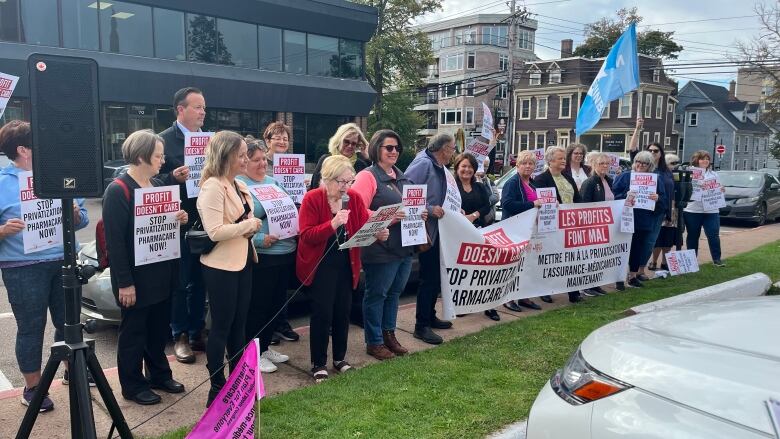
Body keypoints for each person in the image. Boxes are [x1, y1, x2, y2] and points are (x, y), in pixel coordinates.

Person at [0, 120, 89, 412]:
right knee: (31, 327)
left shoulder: (58, 173)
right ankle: (34, 388)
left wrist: (75, 213)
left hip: (62, 259)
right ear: (23, 149)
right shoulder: (2, 182)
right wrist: (2, 231)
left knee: (70, 320)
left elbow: (83, 218)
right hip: (22, 267)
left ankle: (70, 370)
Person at [103, 130, 187, 405]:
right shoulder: (118, 190)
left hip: (161, 273)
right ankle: (133, 384)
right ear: (141, 157)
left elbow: (162, 227)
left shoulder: (158, 185)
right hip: (136, 279)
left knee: (157, 330)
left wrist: (179, 218)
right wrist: (125, 283)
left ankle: (159, 374)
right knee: (134, 333)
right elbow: (115, 243)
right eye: (158, 156)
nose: (163, 161)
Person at [297, 155, 388, 382]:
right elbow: (306, 236)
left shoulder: (354, 198)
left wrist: (377, 233)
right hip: (320, 266)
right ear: (327, 179)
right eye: (341, 182)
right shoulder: (313, 199)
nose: (346, 187)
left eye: (350, 181)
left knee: (342, 311)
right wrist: (333, 223)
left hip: (346, 264)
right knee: (322, 314)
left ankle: (339, 358)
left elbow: (360, 228)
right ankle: (318, 363)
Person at [197, 131, 262, 407]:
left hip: (243, 260)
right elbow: (214, 231)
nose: (245, 159)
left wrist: (248, 227)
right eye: (242, 155)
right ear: (226, 156)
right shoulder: (213, 186)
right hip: (221, 266)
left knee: (239, 324)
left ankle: (238, 380)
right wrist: (249, 226)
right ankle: (217, 385)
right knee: (221, 327)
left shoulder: (238, 185)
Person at [352, 130, 415, 360]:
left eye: (397, 148)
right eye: (389, 147)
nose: (394, 151)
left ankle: (390, 335)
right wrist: (393, 216)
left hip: (404, 246)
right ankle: (375, 341)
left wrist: (419, 214)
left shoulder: (402, 177)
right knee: (377, 294)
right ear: (376, 148)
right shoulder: (368, 176)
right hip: (380, 247)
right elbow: (357, 211)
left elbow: (411, 207)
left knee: (395, 293)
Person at [158, 87, 209, 364]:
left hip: (206, 218)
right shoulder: (164, 141)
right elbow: (151, 181)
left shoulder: (210, 141)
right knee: (181, 281)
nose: (203, 112)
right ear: (181, 109)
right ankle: (179, 335)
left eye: (203, 107)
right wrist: (171, 178)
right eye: (197, 107)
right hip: (178, 222)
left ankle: (197, 331)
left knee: (202, 279)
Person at [236, 137, 295, 374]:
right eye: (256, 160)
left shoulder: (272, 182)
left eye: (264, 159)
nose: (263, 164)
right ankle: (253, 352)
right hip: (262, 254)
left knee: (276, 303)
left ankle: (266, 345)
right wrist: (260, 239)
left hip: (284, 250)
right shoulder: (239, 184)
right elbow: (238, 222)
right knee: (258, 306)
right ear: (244, 162)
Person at [405, 134, 457, 345]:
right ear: (443, 148)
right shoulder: (423, 164)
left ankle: (430, 314)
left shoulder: (437, 165)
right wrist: (428, 209)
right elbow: (406, 193)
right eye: (452, 148)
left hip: (437, 230)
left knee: (435, 276)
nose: (453, 152)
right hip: (426, 231)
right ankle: (421, 325)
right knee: (428, 278)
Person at [260, 121, 300, 344]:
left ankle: (281, 323)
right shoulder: (262, 164)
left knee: (281, 287)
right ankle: (269, 330)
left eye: (285, 138)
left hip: (287, 226)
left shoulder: (292, 164)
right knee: (269, 289)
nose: (282, 141)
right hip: (267, 230)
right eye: (277, 137)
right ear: (268, 140)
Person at [452, 152, 502, 320]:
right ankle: (462, 304)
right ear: (457, 168)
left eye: (470, 167)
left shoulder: (480, 186)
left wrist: (473, 215)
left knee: (483, 270)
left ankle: (489, 306)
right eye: (463, 166)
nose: (467, 170)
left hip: (479, 231)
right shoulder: (451, 187)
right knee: (463, 272)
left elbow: (486, 205)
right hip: (459, 235)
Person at [534, 146, 584, 302]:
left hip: (570, 224)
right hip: (551, 225)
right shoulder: (541, 179)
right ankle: (545, 289)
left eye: (564, 158)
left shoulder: (568, 177)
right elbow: (541, 203)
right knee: (550, 257)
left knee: (572, 258)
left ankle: (573, 292)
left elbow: (577, 198)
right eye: (560, 158)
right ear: (550, 161)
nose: (564, 161)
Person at [499, 150, 545, 311]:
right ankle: (508, 298)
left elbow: (539, 203)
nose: (527, 166)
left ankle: (523, 296)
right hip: (514, 230)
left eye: (531, 163)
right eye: (524, 163)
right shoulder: (512, 183)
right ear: (517, 165)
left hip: (529, 231)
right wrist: (532, 205)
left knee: (525, 265)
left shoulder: (532, 184)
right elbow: (507, 204)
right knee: (513, 266)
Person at [613, 151, 665, 288]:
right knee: (622, 248)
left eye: (645, 163)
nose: (640, 165)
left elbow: (663, 201)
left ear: (650, 165)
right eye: (638, 162)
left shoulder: (656, 179)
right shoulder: (624, 177)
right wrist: (626, 195)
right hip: (625, 218)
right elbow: (613, 196)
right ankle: (619, 279)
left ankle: (633, 276)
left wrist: (658, 198)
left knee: (637, 248)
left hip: (643, 219)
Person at [579, 152, 616, 294]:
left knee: (599, 256)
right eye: (601, 163)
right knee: (590, 256)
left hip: (605, 225)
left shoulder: (609, 180)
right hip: (592, 225)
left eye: (607, 163)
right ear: (594, 165)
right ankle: (586, 285)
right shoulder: (589, 183)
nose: (605, 166)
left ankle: (595, 283)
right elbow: (583, 205)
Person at [684, 150, 724, 267]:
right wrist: (696, 184)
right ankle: (692, 261)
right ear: (696, 160)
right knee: (692, 236)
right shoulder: (689, 173)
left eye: (707, 159)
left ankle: (717, 259)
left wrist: (721, 189)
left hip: (711, 210)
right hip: (693, 210)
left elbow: (719, 187)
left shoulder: (714, 174)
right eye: (702, 158)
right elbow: (685, 189)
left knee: (713, 234)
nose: (705, 161)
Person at [310, 123, 369, 189]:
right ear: (339, 140)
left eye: (353, 143)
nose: (350, 146)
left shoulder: (361, 165)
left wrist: (367, 157)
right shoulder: (325, 160)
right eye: (346, 141)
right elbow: (314, 187)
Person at [649, 153, 682, 270]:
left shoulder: (674, 175)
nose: (675, 166)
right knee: (657, 237)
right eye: (672, 163)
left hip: (672, 208)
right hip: (659, 207)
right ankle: (653, 261)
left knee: (668, 237)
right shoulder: (657, 173)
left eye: (676, 163)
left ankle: (665, 262)